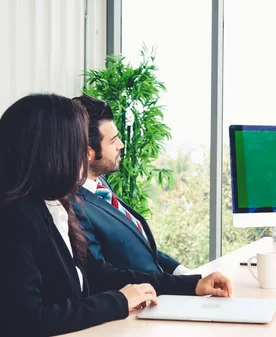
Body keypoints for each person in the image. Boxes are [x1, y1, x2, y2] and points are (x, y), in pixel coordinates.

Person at [0, 94, 232, 336]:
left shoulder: (56, 206)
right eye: (77, 144)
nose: (84, 153)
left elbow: (98, 275)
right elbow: (26, 321)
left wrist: (192, 284)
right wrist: (118, 302)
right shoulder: (13, 220)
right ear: (52, 152)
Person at [71, 95, 189, 275]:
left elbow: (139, 249)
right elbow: (102, 276)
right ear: (89, 152)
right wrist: (185, 286)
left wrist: (185, 273)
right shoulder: (75, 206)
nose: (121, 145)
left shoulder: (100, 184)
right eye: (113, 140)